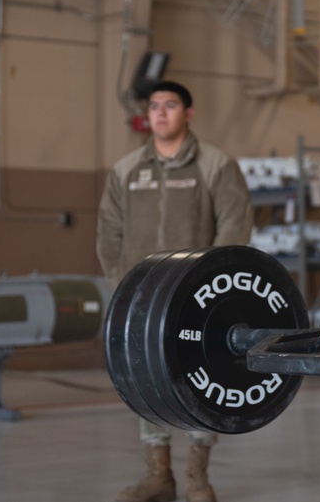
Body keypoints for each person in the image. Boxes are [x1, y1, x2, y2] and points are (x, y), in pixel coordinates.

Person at [97, 80, 253, 502]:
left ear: (189, 112)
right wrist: (124, 286)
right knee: (144, 381)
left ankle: (196, 477)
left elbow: (234, 227)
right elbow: (108, 235)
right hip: (141, 302)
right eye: (153, 106)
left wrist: (212, 289)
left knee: (199, 380)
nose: (160, 113)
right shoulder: (127, 170)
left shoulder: (216, 165)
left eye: (170, 105)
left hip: (195, 303)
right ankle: (158, 475)